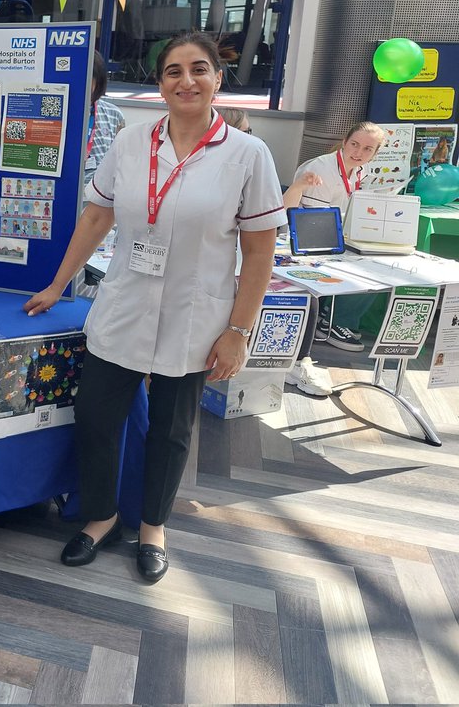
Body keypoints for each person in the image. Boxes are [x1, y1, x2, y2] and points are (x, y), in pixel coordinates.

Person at [24, 31, 283, 584]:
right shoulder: (132, 142)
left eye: (198, 69)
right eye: (173, 71)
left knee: (171, 428)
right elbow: (97, 217)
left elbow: (260, 249)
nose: (186, 81)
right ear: (159, 83)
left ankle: (153, 527)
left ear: (218, 78)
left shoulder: (247, 155)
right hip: (125, 304)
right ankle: (102, 516)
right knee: (96, 417)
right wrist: (56, 284)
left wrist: (239, 329)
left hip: (197, 314)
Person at [283, 121, 386, 353]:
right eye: (355, 145)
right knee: (364, 264)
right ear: (344, 142)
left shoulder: (362, 170)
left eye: (368, 149)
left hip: (337, 235)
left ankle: (337, 318)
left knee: (378, 259)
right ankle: (334, 321)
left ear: (375, 153)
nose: (359, 153)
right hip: (306, 238)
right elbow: (314, 221)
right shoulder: (321, 168)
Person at [83, 52, 126, 186]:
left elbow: (121, 161)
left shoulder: (113, 114)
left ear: (98, 80)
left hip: (98, 196)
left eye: (87, 78)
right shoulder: (50, 117)